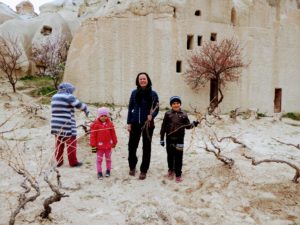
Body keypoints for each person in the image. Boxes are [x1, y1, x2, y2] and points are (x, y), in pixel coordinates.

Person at [127, 72, 159, 180]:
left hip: (148, 125)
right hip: (135, 123)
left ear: (148, 80)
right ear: (138, 81)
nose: (142, 80)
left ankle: (143, 170)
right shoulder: (134, 93)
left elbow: (157, 107)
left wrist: (152, 115)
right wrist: (129, 123)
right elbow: (130, 108)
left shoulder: (153, 94)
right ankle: (132, 166)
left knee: (146, 148)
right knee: (132, 146)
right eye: (140, 79)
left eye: (144, 79)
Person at [160, 96, 199, 183]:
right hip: (169, 138)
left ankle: (178, 174)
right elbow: (163, 127)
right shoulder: (167, 114)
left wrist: (194, 124)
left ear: (180, 104)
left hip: (180, 139)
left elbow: (188, 126)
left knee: (178, 156)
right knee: (170, 155)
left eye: (177, 103)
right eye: (174, 103)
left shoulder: (184, 114)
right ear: (171, 105)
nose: (176, 105)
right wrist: (162, 138)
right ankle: (170, 169)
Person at [51, 82, 89, 167]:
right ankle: (73, 162)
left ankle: (59, 162)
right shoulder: (69, 97)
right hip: (67, 125)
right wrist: (86, 109)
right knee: (71, 144)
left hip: (56, 126)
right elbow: (80, 105)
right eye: (71, 90)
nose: (72, 92)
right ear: (68, 90)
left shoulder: (54, 97)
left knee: (59, 144)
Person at [90, 107, 117, 179]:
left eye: (105, 115)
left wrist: (114, 142)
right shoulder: (95, 125)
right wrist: (93, 146)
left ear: (107, 116)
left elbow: (113, 134)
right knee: (99, 160)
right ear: (99, 116)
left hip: (108, 146)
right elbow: (92, 136)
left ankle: (108, 170)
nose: (103, 117)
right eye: (102, 116)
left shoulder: (110, 124)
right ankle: (99, 172)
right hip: (99, 147)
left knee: (108, 159)